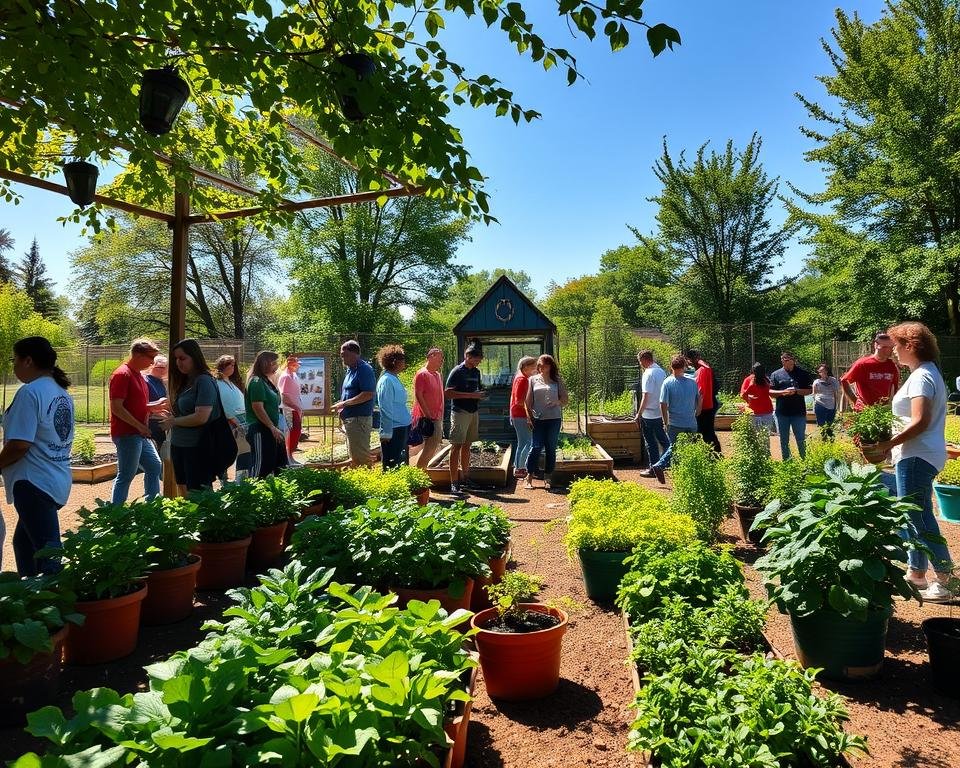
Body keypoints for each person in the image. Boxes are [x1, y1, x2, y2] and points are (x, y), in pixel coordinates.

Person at [875, 322, 955, 602]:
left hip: (917, 455)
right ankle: (916, 572)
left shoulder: (922, 376)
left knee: (920, 517)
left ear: (910, 346)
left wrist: (888, 444)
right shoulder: (926, 373)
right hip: (916, 454)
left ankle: (947, 581)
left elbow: (921, 421)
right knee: (912, 514)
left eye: (896, 345)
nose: (893, 351)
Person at [0, 337, 73, 576]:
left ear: (28, 360)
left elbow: (20, 443)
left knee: (48, 553)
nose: (14, 366)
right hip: (56, 479)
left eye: (15, 360)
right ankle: (29, 598)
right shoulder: (60, 390)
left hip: (33, 483)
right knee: (23, 544)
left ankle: (55, 606)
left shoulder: (30, 392)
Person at [159, 339, 222, 494]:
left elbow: (201, 417)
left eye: (183, 358)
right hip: (179, 444)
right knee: (184, 490)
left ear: (194, 357)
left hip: (197, 446)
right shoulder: (186, 381)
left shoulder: (204, 381)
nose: (178, 363)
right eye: (176, 359)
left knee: (199, 494)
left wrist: (173, 422)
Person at [109, 338, 165, 504]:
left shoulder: (139, 375)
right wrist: (140, 426)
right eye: (150, 358)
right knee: (126, 474)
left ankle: (152, 504)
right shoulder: (122, 374)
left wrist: (153, 407)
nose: (152, 362)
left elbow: (136, 405)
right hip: (128, 434)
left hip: (139, 433)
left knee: (154, 466)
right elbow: (117, 407)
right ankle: (115, 513)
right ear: (138, 355)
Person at [650, 355, 701, 484]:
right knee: (687, 449)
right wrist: (696, 412)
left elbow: (663, 404)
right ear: (684, 367)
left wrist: (665, 422)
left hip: (674, 422)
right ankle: (682, 475)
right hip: (690, 422)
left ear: (671, 367)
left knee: (674, 447)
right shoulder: (693, 382)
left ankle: (663, 467)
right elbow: (698, 402)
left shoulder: (667, 383)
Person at [444, 341, 486, 496]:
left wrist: (480, 394)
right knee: (456, 447)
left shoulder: (476, 372)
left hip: (473, 411)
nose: (478, 361)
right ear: (467, 356)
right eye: (476, 359)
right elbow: (447, 393)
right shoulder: (457, 371)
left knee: (467, 445)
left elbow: (477, 389)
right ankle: (454, 483)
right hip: (460, 412)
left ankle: (466, 478)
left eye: (479, 359)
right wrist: (471, 395)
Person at [523, 354, 568, 491]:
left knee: (550, 448)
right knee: (536, 447)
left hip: (554, 419)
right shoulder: (532, 380)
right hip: (538, 419)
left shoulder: (557, 380)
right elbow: (527, 402)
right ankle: (529, 476)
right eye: (540, 365)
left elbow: (565, 399)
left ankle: (548, 477)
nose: (543, 368)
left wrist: (557, 402)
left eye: (546, 365)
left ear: (551, 366)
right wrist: (529, 417)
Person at [331, 340, 376, 467]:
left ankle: (366, 483)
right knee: (355, 456)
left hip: (359, 420)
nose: (342, 357)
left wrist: (344, 404)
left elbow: (368, 394)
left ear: (354, 353)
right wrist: (341, 404)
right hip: (351, 420)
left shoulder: (364, 369)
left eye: (344, 354)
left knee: (361, 457)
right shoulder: (351, 370)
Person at [245, 350, 288, 478]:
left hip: (271, 429)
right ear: (265, 364)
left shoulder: (266, 380)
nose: (276, 367)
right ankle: (254, 495)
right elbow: (258, 407)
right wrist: (272, 427)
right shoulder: (256, 381)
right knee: (261, 467)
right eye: (274, 363)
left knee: (279, 464)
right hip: (260, 429)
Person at [769, 351, 813, 460]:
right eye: (784, 359)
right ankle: (787, 462)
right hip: (782, 413)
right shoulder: (776, 374)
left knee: (800, 438)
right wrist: (783, 392)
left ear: (793, 360)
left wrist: (796, 391)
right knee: (784, 439)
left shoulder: (803, 373)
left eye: (788, 359)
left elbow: (809, 390)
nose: (786, 361)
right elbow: (770, 392)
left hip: (798, 413)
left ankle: (804, 460)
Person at [214, 355, 251, 483]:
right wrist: (233, 420)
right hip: (228, 423)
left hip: (242, 421)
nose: (233, 367)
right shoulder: (217, 383)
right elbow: (224, 404)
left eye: (234, 365)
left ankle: (241, 479)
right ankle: (224, 480)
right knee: (227, 453)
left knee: (244, 450)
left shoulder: (230, 382)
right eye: (230, 365)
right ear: (223, 366)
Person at [840, 332, 899, 410]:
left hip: (883, 411)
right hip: (864, 411)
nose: (888, 350)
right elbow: (844, 380)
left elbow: (895, 388)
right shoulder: (863, 364)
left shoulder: (892, 366)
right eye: (884, 347)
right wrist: (855, 401)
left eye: (890, 347)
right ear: (876, 345)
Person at [375, 344, 411, 469]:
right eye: (402, 359)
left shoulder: (394, 378)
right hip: (394, 429)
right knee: (392, 464)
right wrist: (386, 433)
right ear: (394, 362)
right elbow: (385, 407)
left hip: (402, 426)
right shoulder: (386, 380)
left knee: (401, 463)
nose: (404, 362)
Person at [635, 350, 669, 478]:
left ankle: (653, 468)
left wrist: (639, 414)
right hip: (660, 412)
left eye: (640, 361)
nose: (640, 364)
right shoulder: (661, 371)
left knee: (650, 442)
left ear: (644, 359)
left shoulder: (648, 373)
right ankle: (664, 465)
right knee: (664, 441)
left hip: (649, 414)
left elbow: (645, 396)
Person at [411, 347, 445, 469]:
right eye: (440, 357)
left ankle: (421, 471)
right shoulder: (422, 374)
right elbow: (418, 395)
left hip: (438, 416)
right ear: (432, 356)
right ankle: (420, 473)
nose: (442, 361)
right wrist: (427, 415)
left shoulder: (437, 375)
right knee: (429, 447)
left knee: (432, 446)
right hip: (428, 418)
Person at [686, 348, 721, 454]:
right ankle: (714, 454)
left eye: (687, 360)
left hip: (704, 406)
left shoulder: (702, 370)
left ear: (690, 359)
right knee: (706, 431)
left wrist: (698, 408)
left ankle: (715, 454)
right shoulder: (704, 367)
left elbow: (701, 392)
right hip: (708, 404)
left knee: (706, 432)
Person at [510, 356, 537, 480]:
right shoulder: (523, 379)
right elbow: (519, 401)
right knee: (528, 442)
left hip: (516, 414)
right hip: (521, 414)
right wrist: (530, 411)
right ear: (525, 367)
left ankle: (517, 467)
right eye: (533, 367)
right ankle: (521, 468)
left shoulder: (519, 377)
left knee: (521, 442)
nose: (535, 369)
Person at [277, 354, 303, 465]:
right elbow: (284, 396)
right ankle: (287, 457)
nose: (297, 365)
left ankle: (290, 455)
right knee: (291, 433)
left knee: (296, 432)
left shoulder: (294, 375)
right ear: (289, 364)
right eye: (295, 363)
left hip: (295, 409)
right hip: (289, 409)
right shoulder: (285, 376)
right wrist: (296, 407)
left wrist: (299, 407)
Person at [740, 362, 775, 433]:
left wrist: (748, 401)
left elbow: (743, 395)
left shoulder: (766, 380)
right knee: (761, 436)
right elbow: (743, 395)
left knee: (759, 436)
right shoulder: (750, 379)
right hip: (756, 412)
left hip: (763, 412)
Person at [144, 355, 169, 452]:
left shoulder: (162, 382)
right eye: (159, 367)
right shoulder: (146, 380)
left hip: (162, 422)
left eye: (165, 367)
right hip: (151, 422)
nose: (163, 370)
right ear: (152, 366)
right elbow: (143, 403)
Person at [812, 362, 841, 428]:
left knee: (830, 425)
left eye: (824, 370)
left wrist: (837, 405)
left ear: (827, 371)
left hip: (831, 405)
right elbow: (814, 394)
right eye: (820, 371)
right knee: (821, 425)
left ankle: (829, 438)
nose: (823, 372)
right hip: (820, 404)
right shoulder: (816, 382)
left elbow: (836, 392)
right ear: (818, 372)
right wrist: (814, 405)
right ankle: (821, 438)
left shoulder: (833, 380)